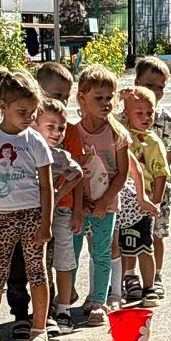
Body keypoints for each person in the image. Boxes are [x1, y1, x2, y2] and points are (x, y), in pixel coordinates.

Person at [0, 68, 53, 341]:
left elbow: (46, 185)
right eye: (22, 111)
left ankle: (39, 331)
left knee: (37, 271)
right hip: (2, 218)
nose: (29, 117)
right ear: (3, 106)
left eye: (33, 111)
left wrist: (46, 222)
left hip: (32, 215)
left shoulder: (35, 141)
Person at [6, 61, 74, 341]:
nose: (62, 102)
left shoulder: (52, 140)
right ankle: (21, 316)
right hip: (12, 215)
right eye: (57, 95)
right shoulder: (14, 136)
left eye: (66, 97)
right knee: (15, 269)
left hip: (41, 218)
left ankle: (44, 317)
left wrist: (56, 197)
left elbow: (74, 172)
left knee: (43, 267)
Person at [67, 64, 130, 326]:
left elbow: (123, 172)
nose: (106, 103)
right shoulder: (72, 133)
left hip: (106, 205)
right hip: (77, 206)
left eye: (110, 97)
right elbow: (69, 170)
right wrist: (78, 205)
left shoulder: (117, 133)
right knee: (70, 251)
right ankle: (65, 297)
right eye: (99, 98)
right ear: (82, 98)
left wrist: (105, 201)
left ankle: (99, 301)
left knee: (101, 252)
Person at [32, 99, 83, 334]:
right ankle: (43, 312)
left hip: (59, 214)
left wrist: (57, 193)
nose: (57, 133)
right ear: (34, 125)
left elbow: (77, 174)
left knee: (63, 261)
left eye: (61, 128)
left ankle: (64, 309)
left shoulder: (59, 155)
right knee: (40, 264)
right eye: (50, 127)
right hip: (32, 216)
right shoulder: (27, 152)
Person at [133, 57, 171, 298]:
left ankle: (156, 276)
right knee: (130, 232)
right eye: (149, 85)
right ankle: (129, 276)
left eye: (160, 87)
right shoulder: (126, 116)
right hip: (131, 188)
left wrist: (154, 177)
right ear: (136, 84)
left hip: (159, 188)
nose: (155, 91)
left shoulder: (166, 119)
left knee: (156, 233)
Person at [119, 87, 170, 306]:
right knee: (123, 244)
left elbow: (160, 174)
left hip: (145, 202)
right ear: (126, 114)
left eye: (150, 113)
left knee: (144, 245)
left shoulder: (154, 142)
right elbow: (109, 118)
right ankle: (126, 281)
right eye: (139, 113)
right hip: (123, 200)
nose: (145, 117)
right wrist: (120, 96)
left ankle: (149, 286)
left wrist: (155, 202)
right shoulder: (122, 133)